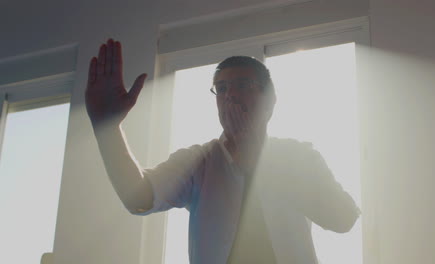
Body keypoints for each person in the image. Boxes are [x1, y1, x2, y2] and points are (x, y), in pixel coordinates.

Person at [85, 38, 360, 264]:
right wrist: (107, 129)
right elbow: (139, 198)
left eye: (243, 85)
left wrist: (261, 166)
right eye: (221, 88)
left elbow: (343, 218)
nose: (230, 95)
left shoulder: (299, 156)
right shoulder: (198, 161)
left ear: (271, 100)